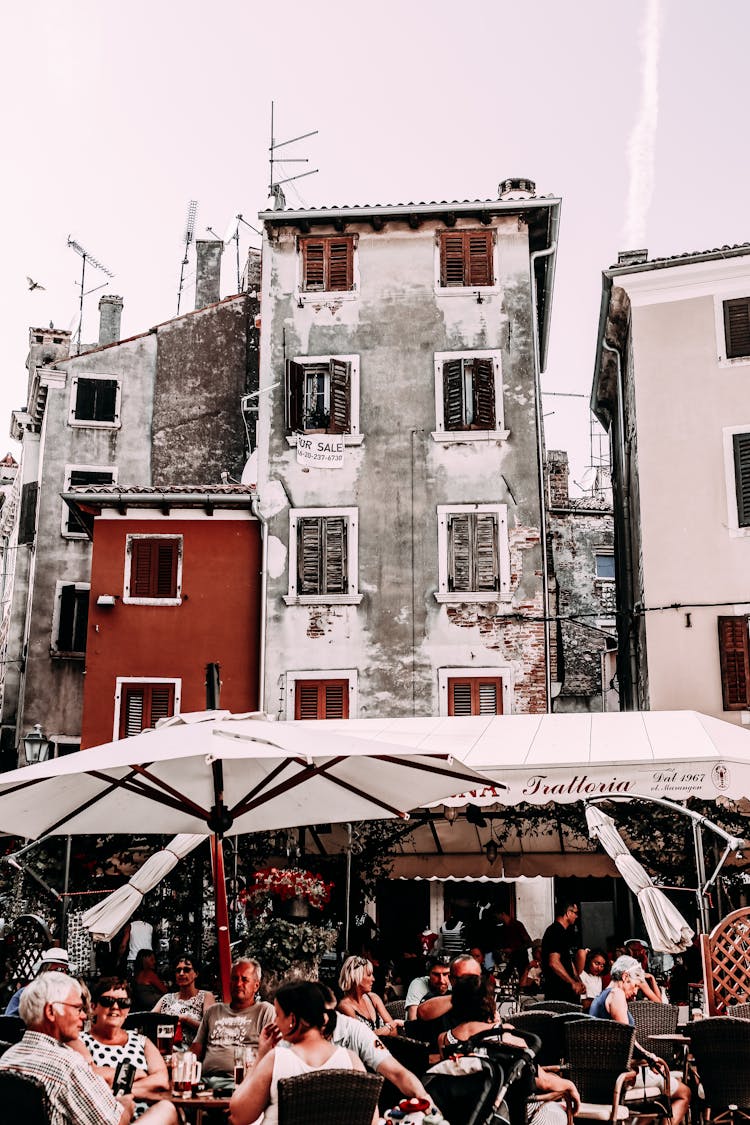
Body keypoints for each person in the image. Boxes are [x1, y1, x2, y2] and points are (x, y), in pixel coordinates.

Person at [0, 971, 176, 1125]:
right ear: (51, 1012)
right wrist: (125, 1105)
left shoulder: (7, 1058)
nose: (84, 1016)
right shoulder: (68, 1065)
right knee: (167, 1110)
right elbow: (112, 1123)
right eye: (77, 1008)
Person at [435, 974, 582, 1124]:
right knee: (560, 1114)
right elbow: (541, 1081)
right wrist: (569, 1085)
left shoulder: (444, 1039)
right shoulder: (506, 1034)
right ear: (489, 1001)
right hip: (510, 1114)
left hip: (466, 1114)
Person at [228, 980, 370, 1125]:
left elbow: (238, 1115)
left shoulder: (276, 1060)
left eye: (277, 1015)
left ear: (292, 1019)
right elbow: (371, 1118)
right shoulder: (352, 1060)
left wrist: (260, 1056)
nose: (275, 1022)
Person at [589, 955, 690, 1125]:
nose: (635, 992)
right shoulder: (617, 995)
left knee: (653, 1107)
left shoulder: (600, 998)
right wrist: (650, 1057)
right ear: (625, 977)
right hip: (618, 1077)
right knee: (684, 1093)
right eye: (635, 986)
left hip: (601, 1074)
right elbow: (626, 1038)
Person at [71, 977, 169, 1119]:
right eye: (107, 1001)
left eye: (123, 1003)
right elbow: (88, 1077)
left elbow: (161, 1080)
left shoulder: (142, 1041)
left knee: (168, 1109)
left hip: (148, 1117)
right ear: (93, 1006)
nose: (116, 1007)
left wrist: (117, 1089)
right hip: (107, 1118)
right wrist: (137, 1074)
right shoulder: (79, 1040)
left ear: (128, 1009)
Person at [319, 984, 431, 1102]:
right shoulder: (346, 1007)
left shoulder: (353, 1027)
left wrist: (424, 1097)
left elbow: (396, 1072)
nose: (372, 979)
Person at [192, 957, 274, 1081]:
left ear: (256, 986)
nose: (238, 984)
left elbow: (272, 1054)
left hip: (243, 1083)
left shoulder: (265, 1011)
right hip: (205, 1080)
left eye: (245, 979)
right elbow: (195, 1050)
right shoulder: (213, 1011)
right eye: (234, 979)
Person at [151, 954, 216, 1045]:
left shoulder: (206, 996)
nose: (181, 973)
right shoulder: (166, 999)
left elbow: (210, 1028)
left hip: (195, 1053)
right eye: (178, 970)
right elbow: (149, 1020)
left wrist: (186, 1020)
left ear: (196, 973)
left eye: (186, 970)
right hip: (168, 1050)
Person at [338, 954, 402, 1036]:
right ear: (356, 976)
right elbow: (361, 1039)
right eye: (369, 975)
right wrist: (388, 1028)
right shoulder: (345, 1006)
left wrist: (381, 1031)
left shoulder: (373, 998)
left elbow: (395, 1032)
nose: (373, 979)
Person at [4, 944, 70, 1016]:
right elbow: (10, 1021)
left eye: (66, 970)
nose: (63, 974)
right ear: (45, 971)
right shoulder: (26, 993)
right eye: (58, 969)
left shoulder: (67, 995)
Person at [541, 903, 585, 1003]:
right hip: (558, 993)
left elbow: (568, 960)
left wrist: (578, 981)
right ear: (568, 913)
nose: (576, 916)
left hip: (568, 993)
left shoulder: (563, 932)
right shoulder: (554, 931)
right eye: (575, 913)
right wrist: (572, 982)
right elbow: (554, 962)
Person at [404, 954, 451, 1019]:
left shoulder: (454, 984)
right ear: (428, 973)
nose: (441, 980)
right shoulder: (418, 984)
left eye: (446, 974)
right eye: (436, 975)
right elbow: (412, 1020)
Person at [494, 909, 532, 974]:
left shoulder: (517, 925)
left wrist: (512, 949)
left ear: (502, 914)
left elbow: (529, 943)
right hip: (511, 962)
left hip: (521, 961)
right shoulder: (503, 928)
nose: (496, 918)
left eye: (496, 916)